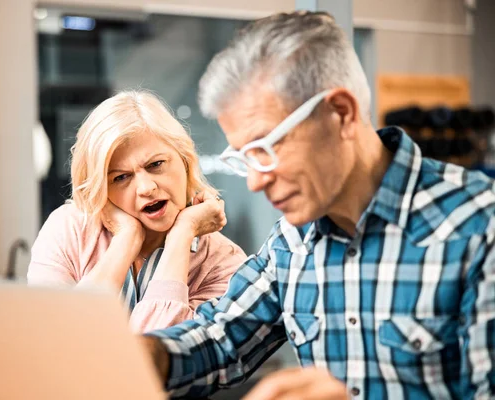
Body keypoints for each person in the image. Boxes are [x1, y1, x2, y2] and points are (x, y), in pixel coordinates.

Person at [141, 11, 495, 399]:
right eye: (244, 158)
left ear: (341, 113)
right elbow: (220, 338)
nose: (257, 181)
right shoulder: (293, 240)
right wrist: (140, 354)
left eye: (267, 148)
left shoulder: (478, 225)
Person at [27, 90, 246, 333]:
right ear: (102, 187)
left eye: (156, 165)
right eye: (121, 177)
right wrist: (126, 239)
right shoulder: (67, 230)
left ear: (185, 161)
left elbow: (166, 357)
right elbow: (54, 340)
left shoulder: (224, 262)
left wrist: (182, 235)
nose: (146, 188)